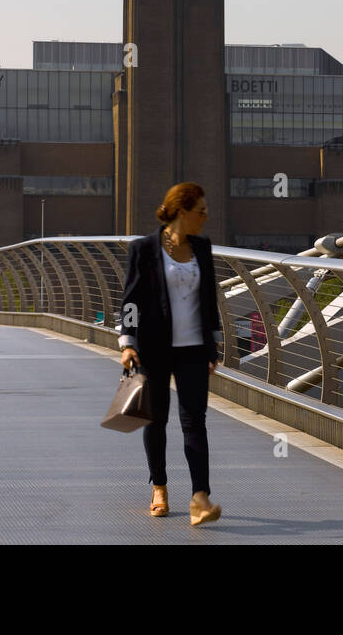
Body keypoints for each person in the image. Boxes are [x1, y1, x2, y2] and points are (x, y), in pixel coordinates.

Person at [119, 182, 223, 526]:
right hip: (154, 347)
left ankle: (200, 497)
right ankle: (159, 486)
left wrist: (213, 345)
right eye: (201, 211)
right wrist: (128, 342)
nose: (206, 217)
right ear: (181, 211)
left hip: (193, 348)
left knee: (196, 422)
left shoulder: (202, 247)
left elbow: (209, 299)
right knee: (157, 419)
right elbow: (131, 300)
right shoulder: (145, 250)